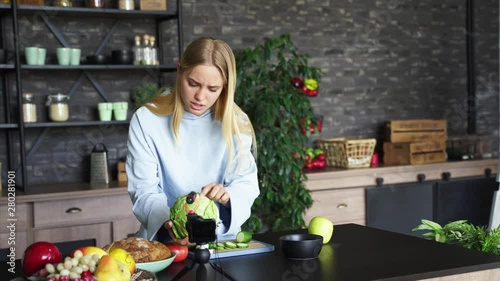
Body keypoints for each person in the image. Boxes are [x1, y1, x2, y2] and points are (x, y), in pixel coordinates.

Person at [126, 37, 259, 246]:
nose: (200, 97)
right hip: (165, 244)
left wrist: (227, 195)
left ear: (225, 87)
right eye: (193, 84)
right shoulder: (146, 120)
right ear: (179, 72)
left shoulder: (236, 123)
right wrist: (172, 225)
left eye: (212, 89)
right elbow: (144, 191)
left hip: (220, 241)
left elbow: (246, 184)